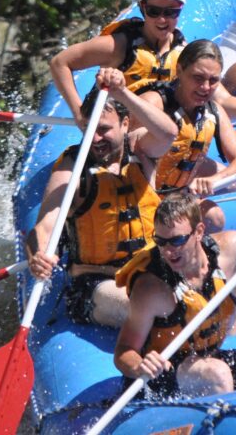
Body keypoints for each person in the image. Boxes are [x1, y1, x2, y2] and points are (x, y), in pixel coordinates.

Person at [25, 67, 178, 328]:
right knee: (150, 305)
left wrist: (122, 93)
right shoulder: (71, 167)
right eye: (89, 129)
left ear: (125, 123)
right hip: (98, 285)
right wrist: (37, 255)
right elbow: (46, 225)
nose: (95, 139)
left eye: (104, 129)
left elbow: (168, 133)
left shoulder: (141, 149)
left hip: (151, 270)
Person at [113, 193, 236, 398]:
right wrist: (140, 365)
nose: (169, 251)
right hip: (162, 376)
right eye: (161, 241)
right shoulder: (152, 289)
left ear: (199, 232)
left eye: (177, 240)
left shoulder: (227, 251)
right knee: (218, 376)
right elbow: (124, 351)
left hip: (208, 359)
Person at [50, 0, 236, 133]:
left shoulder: (182, 53)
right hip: (115, 136)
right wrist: (79, 113)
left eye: (172, 12)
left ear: (181, 10)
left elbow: (220, 97)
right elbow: (60, 63)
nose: (162, 20)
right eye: (154, 11)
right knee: (154, 101)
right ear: (142, 8)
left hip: (154, 138)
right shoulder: (119, 45)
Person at [138, 40, 236, 233]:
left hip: (176, 197)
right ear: (180, 70)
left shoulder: (213, 112)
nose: (205, 87)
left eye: (213, 80)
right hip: (142, 195)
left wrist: (214, 179)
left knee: (214, 218)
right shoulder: (154, 103)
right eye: (198, 78)